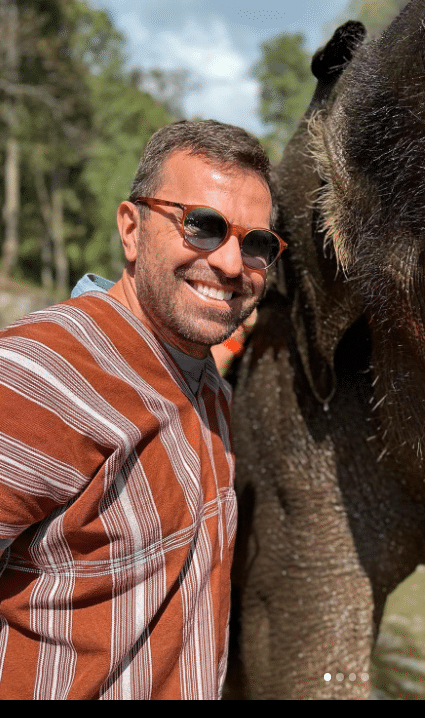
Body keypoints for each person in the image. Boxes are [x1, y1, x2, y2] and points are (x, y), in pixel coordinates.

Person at [0, 120, 285, 699]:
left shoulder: (210, 393)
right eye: (202, 226)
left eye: (256, 243)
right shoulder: (39, 377)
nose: (232, 264)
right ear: (131, 230)